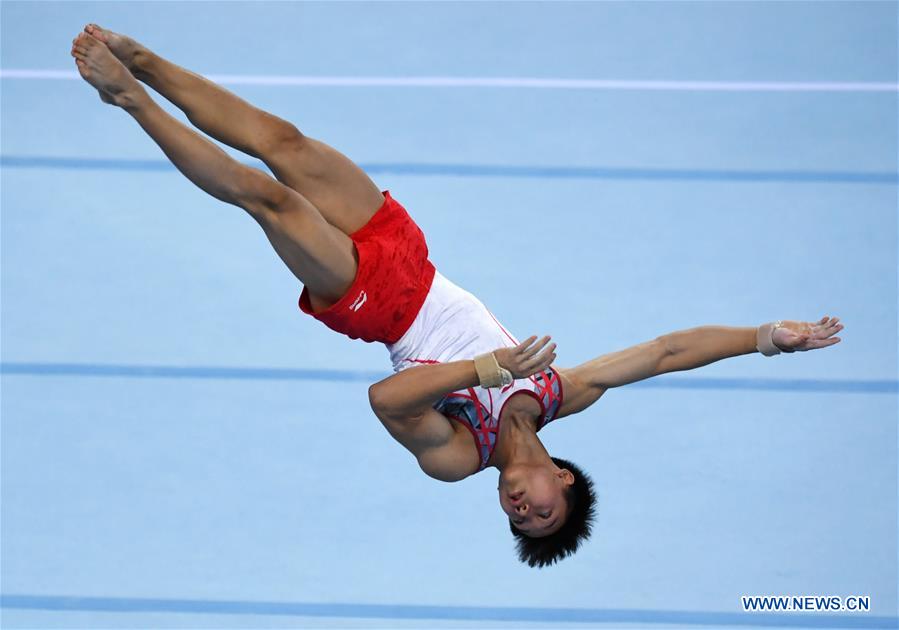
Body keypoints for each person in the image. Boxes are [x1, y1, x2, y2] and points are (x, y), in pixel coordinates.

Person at [70, 25, 844, 568]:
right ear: (563, 481)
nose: (520, 509)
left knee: (266, 197)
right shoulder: (560, 395)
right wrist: (766, 337)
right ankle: (145, 60)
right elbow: (666, 353)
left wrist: (482, 368)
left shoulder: (456, 458)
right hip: (410, 253)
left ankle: (129, 100)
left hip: (378, 305)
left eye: (516, 520)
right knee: (285, 142)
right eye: (541, 511)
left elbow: (386, 398)